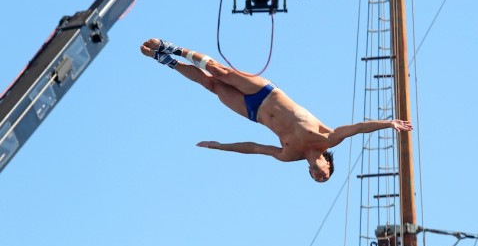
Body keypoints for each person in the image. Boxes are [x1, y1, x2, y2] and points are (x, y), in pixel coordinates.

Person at [140, 38, 413, 183]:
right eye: (324, 175)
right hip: (267, 94)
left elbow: (254, 148)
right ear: (328, 163)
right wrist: (388, 123)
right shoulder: (329, 138)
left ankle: (164, 60)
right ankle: (173, 48)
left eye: (316, 179)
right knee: (219, 71)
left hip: (252, 112)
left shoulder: (288, 155)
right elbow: (357, 127)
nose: (318, 175)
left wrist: (220, 145)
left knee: (210, 85)